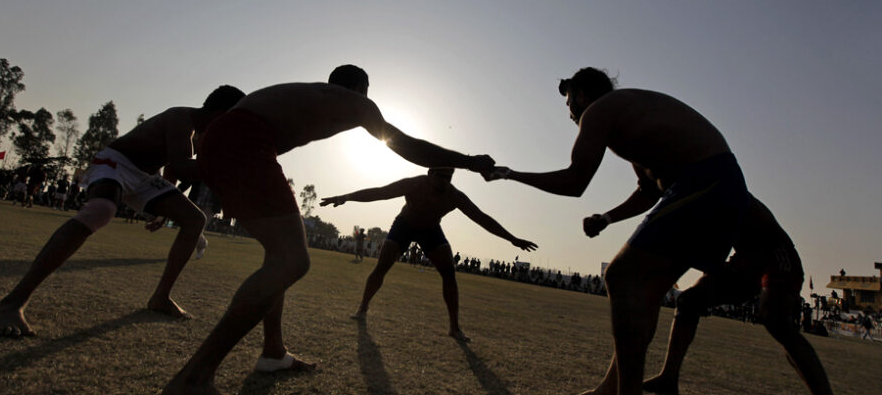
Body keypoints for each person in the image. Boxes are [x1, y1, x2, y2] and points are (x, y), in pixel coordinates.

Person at [161, 65, 496, 394]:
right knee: (292, 261)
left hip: (232, 138)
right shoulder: (358, 104)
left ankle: (273, 353)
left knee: (280, 258)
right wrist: (469, 161)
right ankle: (195, 376)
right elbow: (408, 146)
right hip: (244, 139)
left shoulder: (312, 95)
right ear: (363, 89)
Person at [484, 67, 749, 395]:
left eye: (569, 103)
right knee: (646, 292)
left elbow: (575, 182)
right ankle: (613, 387)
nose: (569, 113)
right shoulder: (630, 115)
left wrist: (510, 174)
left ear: (581, 95)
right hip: (716, 185)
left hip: (706, 181)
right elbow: (650, 192)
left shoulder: (599, 111)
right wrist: (607, 218)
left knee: (621, 276)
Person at [0, 85, 245, 337]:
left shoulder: (196, 133)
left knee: (194, 219)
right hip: (116, 162)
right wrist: (232, 166)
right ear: (219, 113)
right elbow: (182, 164)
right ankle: (12, 302)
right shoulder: (181, 118)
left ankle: (160, 297)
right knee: (100, 210)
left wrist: (166, 205)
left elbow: (175, 169)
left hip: (145, 177)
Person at [585, 193, 834, 394]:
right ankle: (668, 377)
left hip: (775, 255)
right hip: (744, 259)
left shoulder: (718, 189)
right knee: (689, 301)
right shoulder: (696, 192)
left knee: (777, 322)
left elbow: (709, 253)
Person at [320, 167, 537, 341]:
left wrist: (512, 239)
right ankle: (363, 308)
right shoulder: (414, 184)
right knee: (382, 267)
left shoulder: (455, 196)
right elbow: (380, 192)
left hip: (431, 230)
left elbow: (481, 218)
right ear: (429, 174)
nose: (444, 181)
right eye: (440, 176)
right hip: (404, 225)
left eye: (448, 177)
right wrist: (345, 196)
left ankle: (454, 327)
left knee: (449, 274)